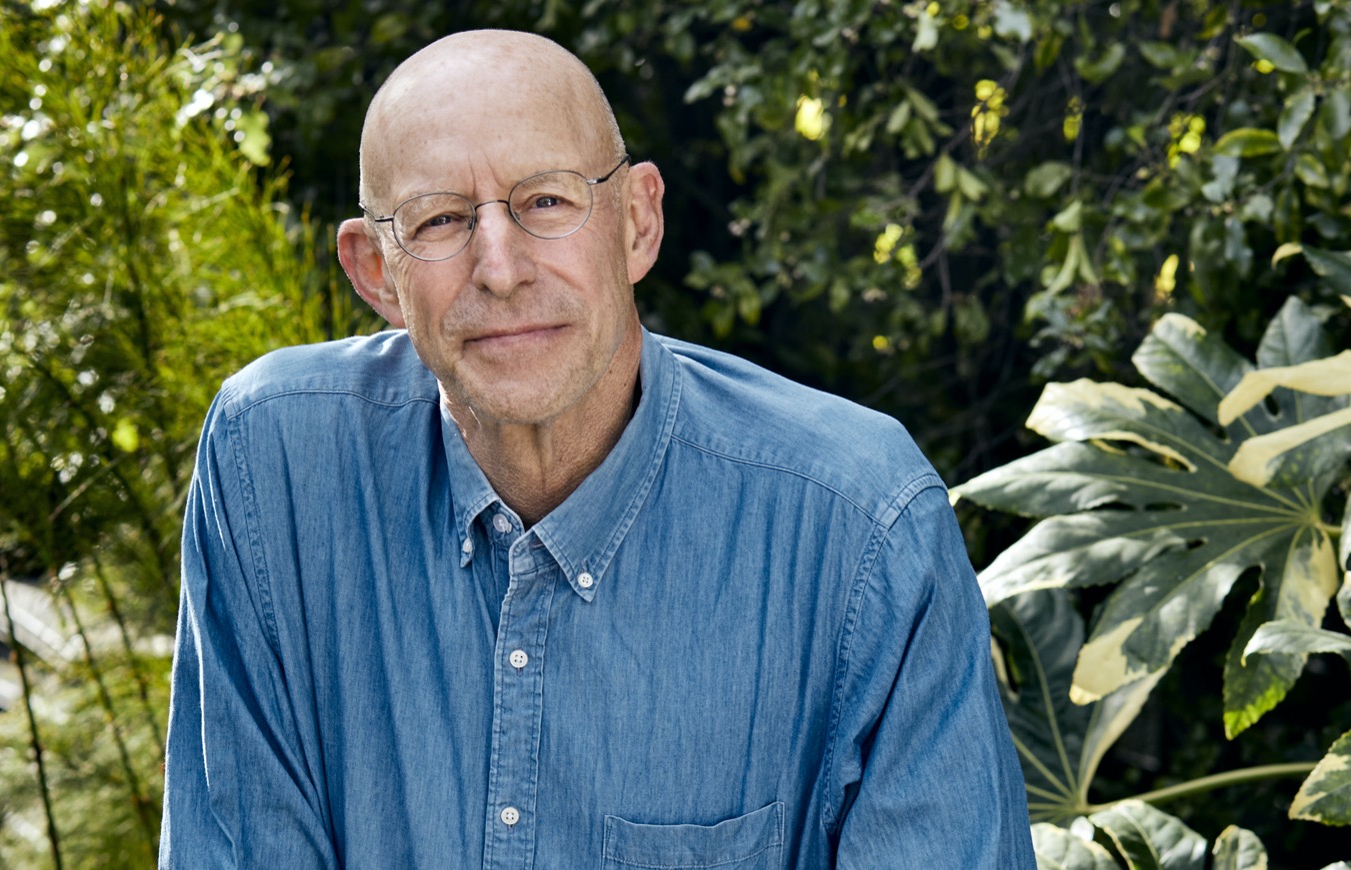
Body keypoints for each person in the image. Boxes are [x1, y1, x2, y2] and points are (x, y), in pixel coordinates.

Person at [159, 29, 1035, 869]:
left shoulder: (860, 527)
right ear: (375, 271)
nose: (500, 269)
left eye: (547, 201)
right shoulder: (273, 469)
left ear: (637, 223)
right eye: (438, 221)